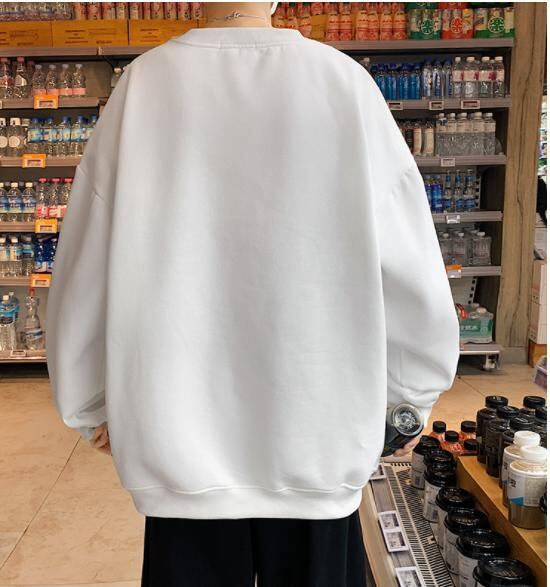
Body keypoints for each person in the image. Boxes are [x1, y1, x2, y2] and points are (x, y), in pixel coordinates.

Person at [47, 3, 459, 586]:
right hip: (320, 435)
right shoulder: (342, 83)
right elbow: (410, 264)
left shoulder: (144, 86)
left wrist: (90, 402)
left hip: (178, 440)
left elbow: (86, 263)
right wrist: (408, 397)